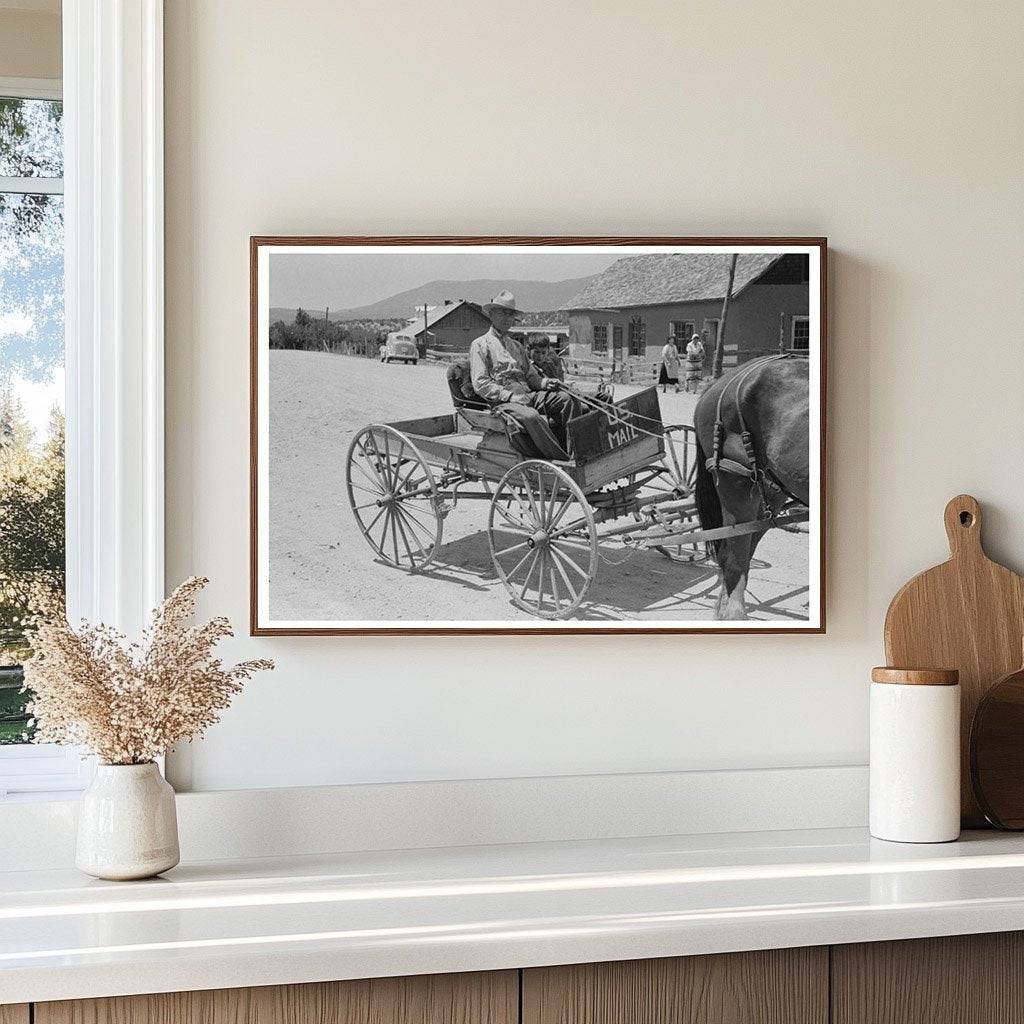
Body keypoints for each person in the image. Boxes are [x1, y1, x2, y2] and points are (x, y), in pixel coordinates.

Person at [469, 290, 580, 457]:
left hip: (528, 395)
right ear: (491, 315)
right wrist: (511, 397)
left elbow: (531, 377)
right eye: (503, 313)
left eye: (511, 314)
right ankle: (560, 458)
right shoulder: (480, 345)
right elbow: (481, 383)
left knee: (568, 399)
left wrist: (545, 383)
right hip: (503, 402)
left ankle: (575, 452)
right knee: (531, 417)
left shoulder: (516, 346)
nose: (508, 318)